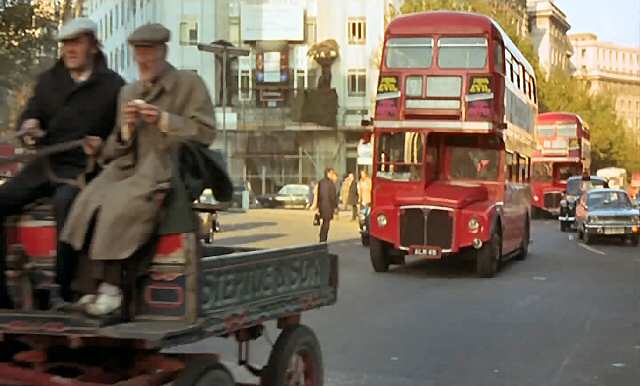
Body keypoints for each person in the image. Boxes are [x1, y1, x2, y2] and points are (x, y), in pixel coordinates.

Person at [61, 23, 216, 316]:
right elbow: (115, 149)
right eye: (139, 55)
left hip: (165, 168)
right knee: (88, 199)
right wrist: (125, 130)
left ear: (163, 52)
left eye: (149, 54)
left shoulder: (189, 83)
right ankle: (87, 288)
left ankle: (112, 289)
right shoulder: (128, 92)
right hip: (128, 167)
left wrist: (163, 119)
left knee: (121, 204)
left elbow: (205, 132)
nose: (143, 61)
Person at [0, 18, 124, 308]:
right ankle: (1, 295)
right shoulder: (48, 81)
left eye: (76, 43)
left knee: (67, 203)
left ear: (92, 46)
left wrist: (103, 147)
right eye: (66, 44)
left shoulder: (113, 86)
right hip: (45, 164)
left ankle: (64, 289)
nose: (70, 50)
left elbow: (122, 138)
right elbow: (31, 115)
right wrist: (29, 126)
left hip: (85, 168)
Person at [317, 168, 338, 242]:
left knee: (324, 223)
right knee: (326, 224)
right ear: (328, 173)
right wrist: (335, 207)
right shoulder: (331, 183)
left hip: (322, 206)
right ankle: (323, 238)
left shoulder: (321, 182)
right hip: (328, 206)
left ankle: (322, 237)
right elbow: (332, 196)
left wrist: (318, 207)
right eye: (332, 173)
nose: (333, 175)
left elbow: (318, 195)